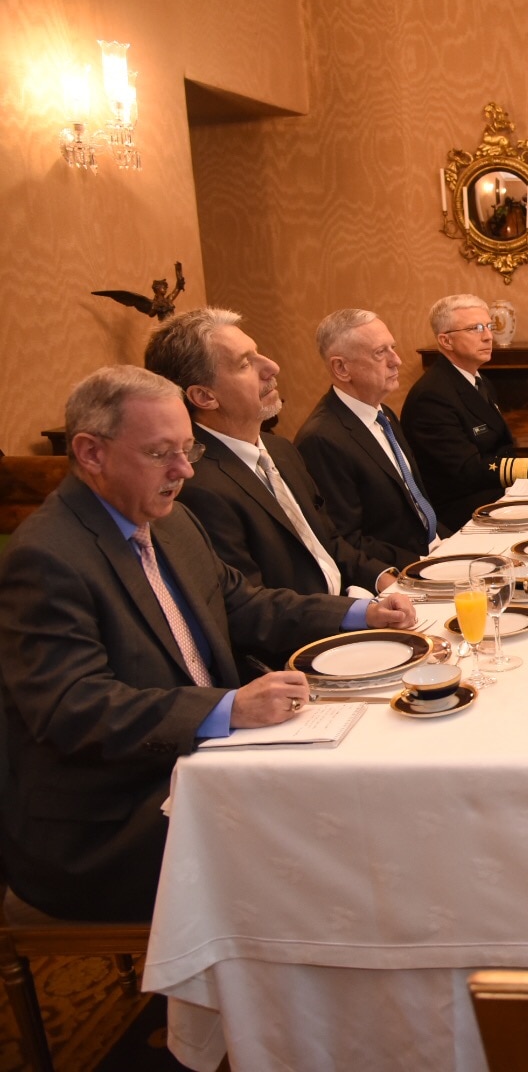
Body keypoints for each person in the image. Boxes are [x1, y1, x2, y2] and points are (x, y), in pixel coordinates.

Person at [0, 366, 416, 920]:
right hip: (111, 817)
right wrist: (227, 707)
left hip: (200, 765)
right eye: (158, 454)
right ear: (90, 453)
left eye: (187, 451)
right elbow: (73, 707)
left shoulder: (173, 521)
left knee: (367, 790)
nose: (182, 471)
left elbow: (244, 605)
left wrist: (361, 613)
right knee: (328, 848)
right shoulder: (48, 557)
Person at [144, 308, 399, 609]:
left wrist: (388, 579)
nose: (272, 367)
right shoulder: (197, 485)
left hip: (352, 606)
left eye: (258, 353)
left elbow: (329, 543)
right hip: (307, 641)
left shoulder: (281, 450)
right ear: (204, 397)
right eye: (244, 364)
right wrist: (358, 615)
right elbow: (252, 607)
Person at [402, 294, 528, 532]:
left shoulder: (480, 381)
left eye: (488, 326)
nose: (488, 336)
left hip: (496, 492)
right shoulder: (432, 396)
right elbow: (468, 471)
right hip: (463, 510)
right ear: (446, 341)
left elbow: (500, 449)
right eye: (475, 328)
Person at [297, 308, 441, 569]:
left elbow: (415, 502)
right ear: (341, 368)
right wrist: (426, 563)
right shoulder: (322, 439)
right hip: (398, 571)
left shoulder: (383, 413)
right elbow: (347, 540)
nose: (396, 360)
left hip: (434, 547)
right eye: (379, 353)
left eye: (392, 348)